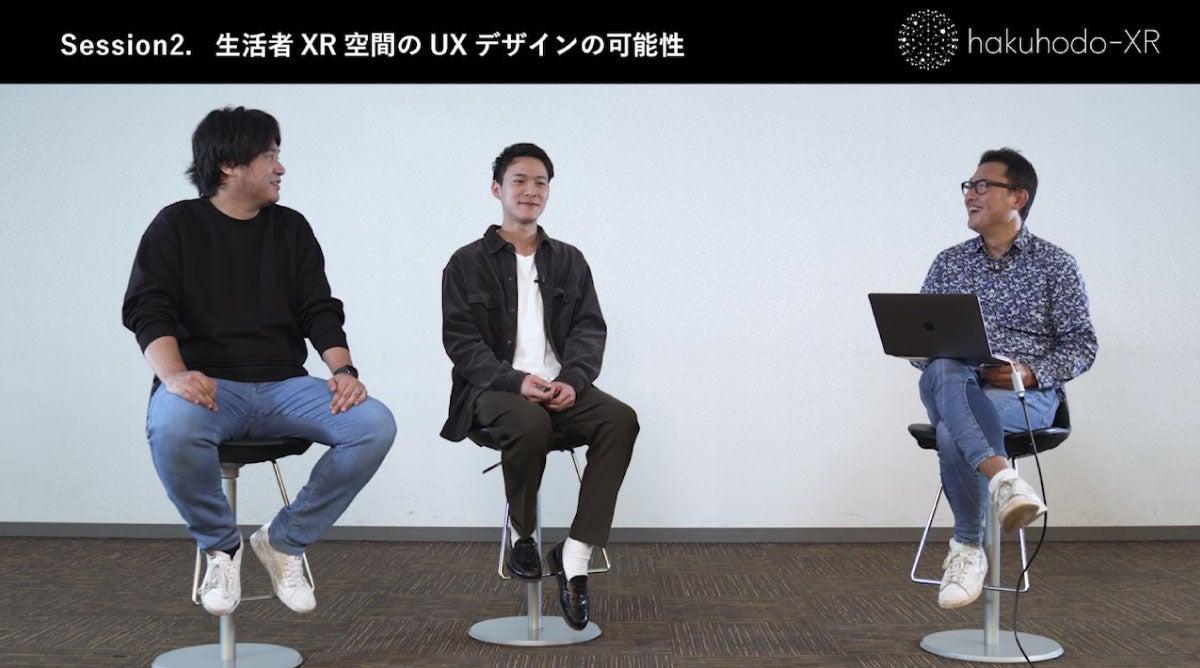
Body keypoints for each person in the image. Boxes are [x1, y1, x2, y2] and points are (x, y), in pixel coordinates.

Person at [122, 106, 396, 616]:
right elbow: (147, 307)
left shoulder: (291, 228)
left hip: (282, 386)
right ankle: (221, 547)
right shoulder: (176, 225)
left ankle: (285, 541)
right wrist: (173, 375)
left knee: (373, 424)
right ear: (229, 164)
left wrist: (343, 373)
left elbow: (319, 308)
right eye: (270, 156)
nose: (280, 168)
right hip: (209, 386)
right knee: (172, 422)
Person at [440, 143, 638, 630]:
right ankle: (522, 535)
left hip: (560, 386)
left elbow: (589, 329)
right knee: (530, 423)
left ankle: (576, 553)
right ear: (497, 189)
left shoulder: (569, 260)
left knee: (620, 419)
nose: (531, 191)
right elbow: (462, 343)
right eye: (519, 181)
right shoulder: (465, 263)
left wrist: (573, 380)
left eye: (540, 183)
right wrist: (516, 380)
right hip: (494, 390)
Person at [918, 147, 1097, 609]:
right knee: (943, 366)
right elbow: (921, 346)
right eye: (968, 186)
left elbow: (1083, 344)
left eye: (982, 186)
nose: (970, 195)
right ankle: (1004, 480)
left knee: (953, 432)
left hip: (1022, 395)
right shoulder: (949, 263)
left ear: (1017, 197)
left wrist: (1031, 371)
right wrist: (941, 355)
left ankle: (966, 548)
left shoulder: (1055, 265)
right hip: (954, 383)